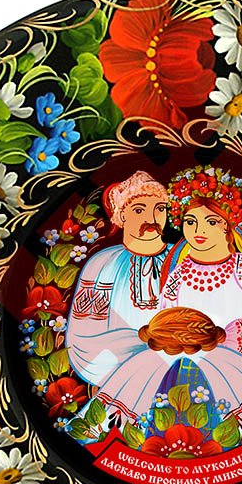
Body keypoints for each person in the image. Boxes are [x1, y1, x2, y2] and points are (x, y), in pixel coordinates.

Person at [101, 166, 242, 426]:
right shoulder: (178, 274)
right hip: (176, 364)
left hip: (234, 363)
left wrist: (229, 338)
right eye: (191, 222)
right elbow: (169, 323)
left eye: (211, 222)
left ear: (228, 226)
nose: (198, 231)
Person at [64, 171, 173, 419]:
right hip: (117, 365)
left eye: (159, 209)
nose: (151, 219)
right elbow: (85, 335)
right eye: (139, 210)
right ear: (121, 215)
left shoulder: (183, 258)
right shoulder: (102, 264)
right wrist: (145, 352)